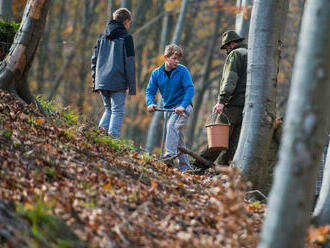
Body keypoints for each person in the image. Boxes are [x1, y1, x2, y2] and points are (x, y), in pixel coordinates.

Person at [193, 30, 247, 169]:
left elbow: (231, 79)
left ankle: (197, 166)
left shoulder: (235, 54)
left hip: (233, 103)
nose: (226, 51)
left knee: (218, 139)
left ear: (232, 44)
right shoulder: (251, 54)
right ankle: (223, 170)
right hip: (246, 106)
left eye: (226, 47)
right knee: (234, 143)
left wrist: (222, 101)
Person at [146, 44, 194, 171]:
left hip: (183, 107)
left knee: (171, 127)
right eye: (174, 58)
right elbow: (150, 91)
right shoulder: (156, 73)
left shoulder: (182, 70)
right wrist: (150, 103)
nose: (177, 62)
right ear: (165, 57)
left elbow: (190, 89)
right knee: (177, 139)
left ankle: (169, 157)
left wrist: (183, 106)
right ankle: (185, 168)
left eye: (178, 59)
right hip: (168, 109)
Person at [91, 8, 136, 139]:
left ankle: (98, 137)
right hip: (117, 80)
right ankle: (112, 140)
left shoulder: (101, 37)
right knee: (117, 110)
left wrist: (95, 82)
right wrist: (132, 87)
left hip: (101, 80)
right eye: (129, 23)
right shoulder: (126, 38)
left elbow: (94, 60)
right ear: (126, 21)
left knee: (109, 109)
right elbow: (130, 63)